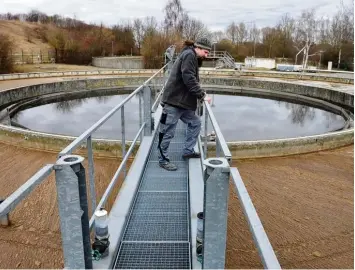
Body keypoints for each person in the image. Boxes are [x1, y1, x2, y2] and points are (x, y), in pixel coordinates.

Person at [158, 38, 212, 171]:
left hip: (182, 102)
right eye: (206, 52)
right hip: (173, 102)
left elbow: (191, 78)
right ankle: (163, 160)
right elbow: (188, 78)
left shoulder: (192, 55)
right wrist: (202, 95)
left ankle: (188, 151)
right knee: (167, 132)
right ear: (198, 47)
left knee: (195, 123)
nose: (207, 55)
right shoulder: (189, 55)